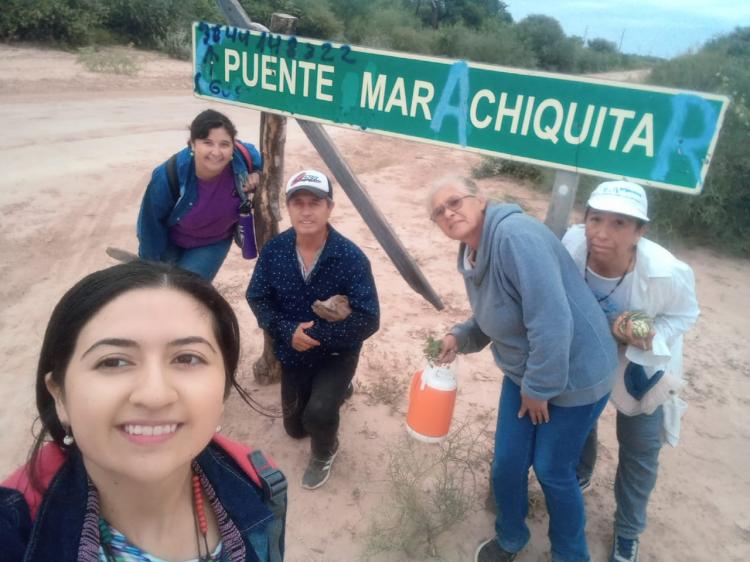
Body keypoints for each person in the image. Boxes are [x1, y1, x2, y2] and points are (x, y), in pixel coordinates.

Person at [0, 261, 286, 562]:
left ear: (223, 389)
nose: (154, 395)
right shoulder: (12, 530)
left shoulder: (262, 483)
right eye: (113, 362)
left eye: (187, 358)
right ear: (59, 396)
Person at [430, 176, 618, 562]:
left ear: (480, 199)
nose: (448, 213)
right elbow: (495, 312)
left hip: (577, 372)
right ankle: (512, 536)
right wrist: (459, 337)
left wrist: (538, 389)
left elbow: (551, 321)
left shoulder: (515, 237)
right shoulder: (471, 252)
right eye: (439, 212)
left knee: (552, 469)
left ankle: (570, 553)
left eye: (455, 202)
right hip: (528, 372)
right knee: (508, 462)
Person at [562, 181, 699, 562]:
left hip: (641, 364)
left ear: (641, 231)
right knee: (580, 420)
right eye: (595, 219)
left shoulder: (668, 271)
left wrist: (651, 335)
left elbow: (686, 313)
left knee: (640, 448)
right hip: (589, 352)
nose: (602, 233)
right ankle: (582, 472)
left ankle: (627, 531)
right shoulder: (571, 246)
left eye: (620, 223)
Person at [247, 170, 379, 490]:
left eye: (315, 203)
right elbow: (257, 297)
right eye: (298, 203)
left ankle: (325, 451)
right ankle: (340, 392)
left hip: (337, 352)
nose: (306, 211)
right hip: (293, 351)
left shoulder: (350, 257)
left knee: (318, 414)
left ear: (329, 208)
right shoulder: (275, 250)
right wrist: (287, 330)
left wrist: (317, 336)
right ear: (288, 208)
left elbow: (368, 318)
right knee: (295, 428)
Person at [137, 109, 262, 280]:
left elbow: (263, 162)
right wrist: (148, 266)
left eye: (224, 144)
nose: (216, 152)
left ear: (233, 145)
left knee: (188, 293)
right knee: (160, 287)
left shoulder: (243, 157)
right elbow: (150, 225)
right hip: (169, 240)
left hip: (213, 241)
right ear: (193, 144)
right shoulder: (169, 174)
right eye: (208, 142)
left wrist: (257, 172)